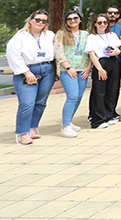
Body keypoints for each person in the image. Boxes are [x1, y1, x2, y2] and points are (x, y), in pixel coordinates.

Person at [7, 10, 55, 145]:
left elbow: (58, 51)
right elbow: (13, 55)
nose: (40, 23)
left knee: (41, 102)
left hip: (48, 69)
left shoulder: (50, 35)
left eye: (44, 21)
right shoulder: (20, 37)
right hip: (28, 70)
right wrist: (26, 72)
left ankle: (32, 127)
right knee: (27, 103)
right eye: (37, 20)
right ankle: (22, 133)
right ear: (30, 21)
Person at [54, 10, 91, 138]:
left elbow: (91, 51)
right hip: (68, 70)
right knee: (72, 96)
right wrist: (68, 67)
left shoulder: (86, 34)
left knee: (79, 96)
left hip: (83, 69)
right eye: (69, 19)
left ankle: (69, 121)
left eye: (75, 18)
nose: (73, 20)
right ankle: (65, 126)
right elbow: (58, 52)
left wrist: (89, 67)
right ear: (66, 22)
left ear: (80, 20)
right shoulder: (61, 34)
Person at [86, 13, 121, 129]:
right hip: (100, 62)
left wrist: (116, 52)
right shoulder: (92, 37)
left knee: (112, 90)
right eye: (99, 22)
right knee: (99, 91)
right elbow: (92, 54)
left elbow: (118, 48)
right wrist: (100, 69)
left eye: (105, 22)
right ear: (95, 24)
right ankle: (97, 119)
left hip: (113, 61)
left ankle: (108, 115)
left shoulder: (112, 35)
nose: (102, 25)